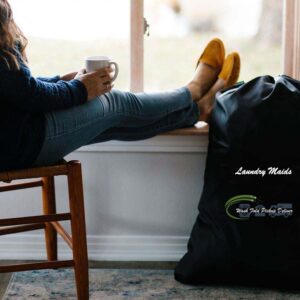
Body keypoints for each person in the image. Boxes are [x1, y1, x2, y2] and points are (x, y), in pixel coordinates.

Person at [0, 0, 240, 172]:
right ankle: (194, 90)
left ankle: (200, 110)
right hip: (21, 145)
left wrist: (60, 81)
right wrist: (81, 89)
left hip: (16, 140)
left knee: (111, 123)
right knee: (113, 103)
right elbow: (28, 95)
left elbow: (15, 87)